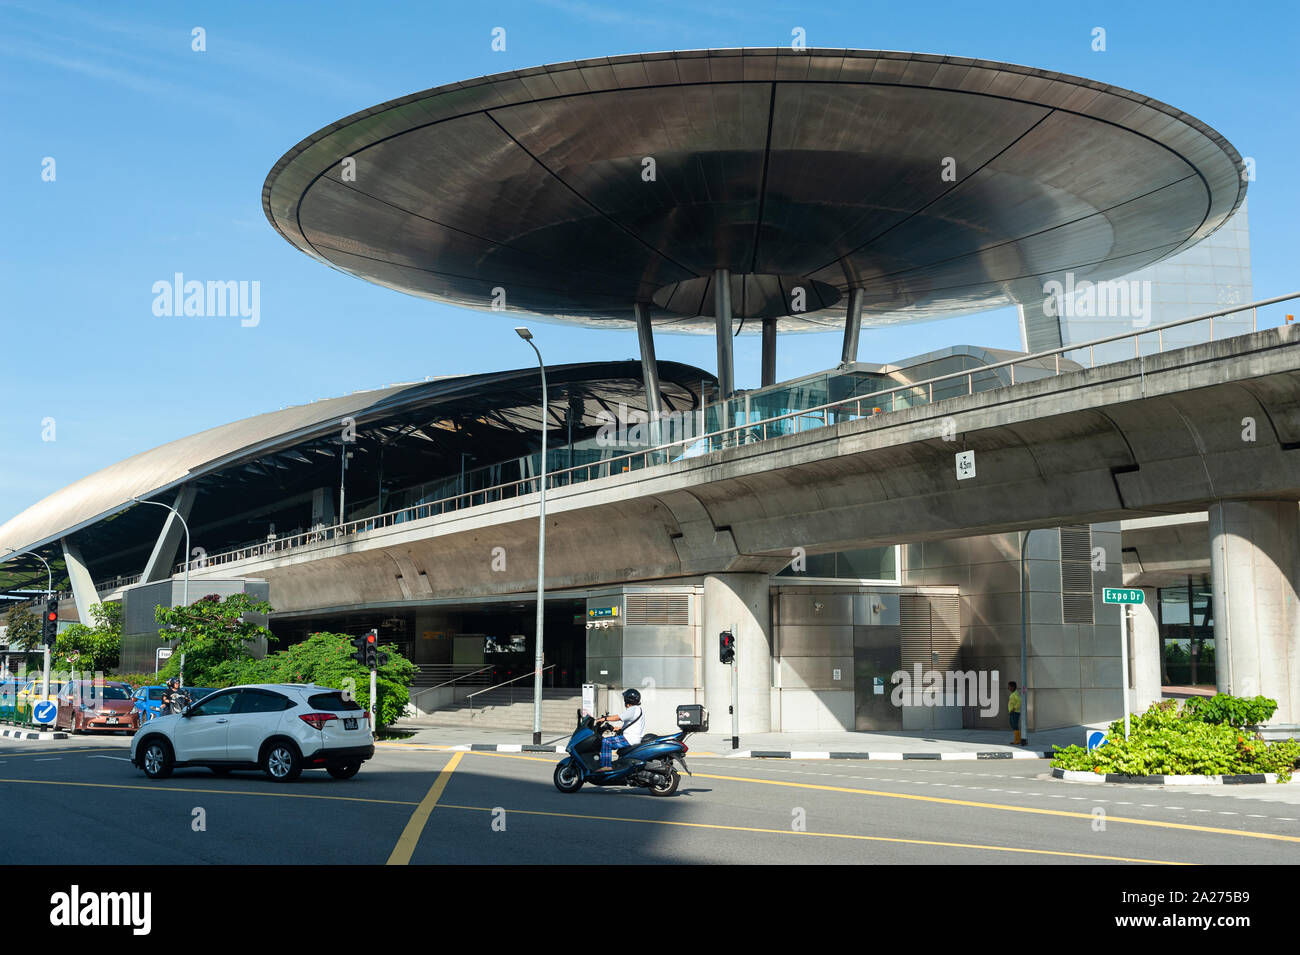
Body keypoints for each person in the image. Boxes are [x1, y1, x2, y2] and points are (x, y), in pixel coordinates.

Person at [596, 689, 646, 771]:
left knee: (606, 742)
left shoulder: (633, 709)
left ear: (627, 699)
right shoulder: (638, 709)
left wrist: (604, 718)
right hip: (633, 737)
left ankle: (606, 766)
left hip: (629, 739)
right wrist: (616, 728)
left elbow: (619, 717)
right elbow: (632, 725)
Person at [1008, 681, 1024, 746]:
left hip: (1015, 712)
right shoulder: (1013, 693)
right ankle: (1017, 739)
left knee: (1015, 725)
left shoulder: (1015, 694)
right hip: (1012, 712)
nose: (1008, 688)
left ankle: (1017, 740)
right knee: (1013, 725)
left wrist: (1014, 708)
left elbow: (1019, 701)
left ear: (1013, 687)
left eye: (1009, 686)